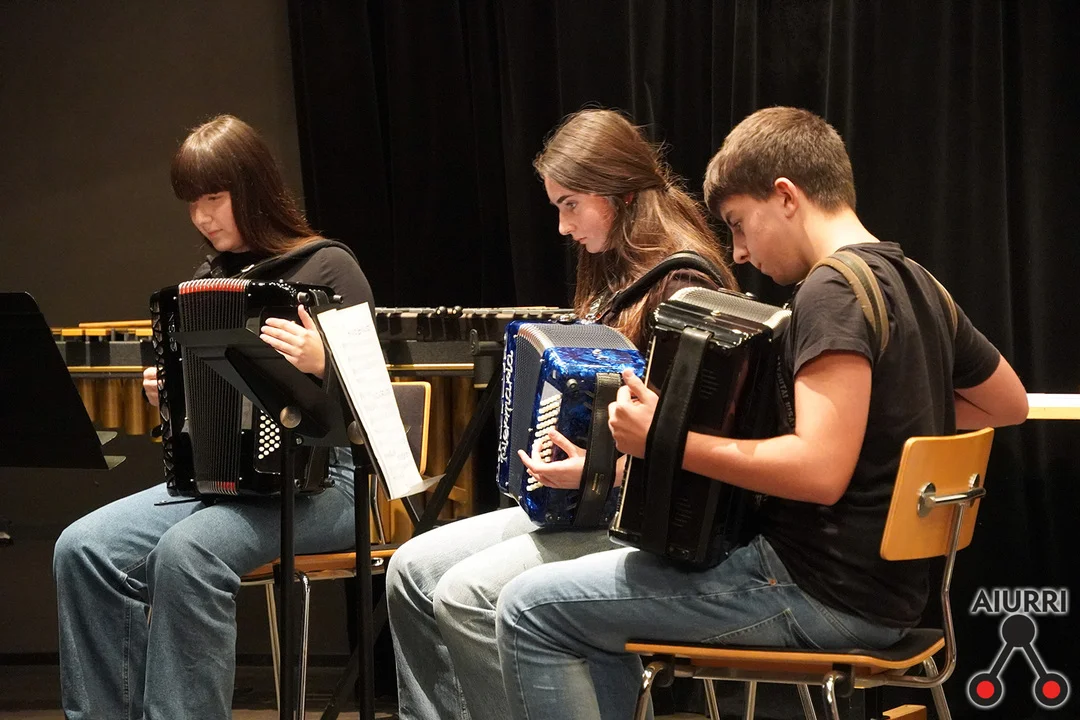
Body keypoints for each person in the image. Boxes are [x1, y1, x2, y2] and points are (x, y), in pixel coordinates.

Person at [493, 106, 1030, 720]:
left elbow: (818, 471)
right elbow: (1007, 402)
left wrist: (662, 437)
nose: (740, 253)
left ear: (786, 197)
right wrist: (884, 412)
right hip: (896, 600)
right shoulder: (920, 282)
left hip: (816, 591)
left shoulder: (832, 291)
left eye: (739, 224)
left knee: (528, 610)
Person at [385, 108, 738, 720]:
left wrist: (600, 475)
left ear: (620, 194)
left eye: (571, 205)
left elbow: (703, 453)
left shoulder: (685, 287)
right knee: (410, 571)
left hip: (640, 522)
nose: (562, 226)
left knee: (465, 596)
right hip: (591, 508)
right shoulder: (613, 276)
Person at [52, 114, 374, 720]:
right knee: (82, 547)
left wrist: (324, 361)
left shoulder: (330, 268)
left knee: (188, 553)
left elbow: (371, 408)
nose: (202, 218)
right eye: (192, 203)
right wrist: (169, 394)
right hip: (224, 484)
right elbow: (210, 405)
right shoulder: (210, 279)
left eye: (214, 199)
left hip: (325, 485)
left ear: (252, 189)